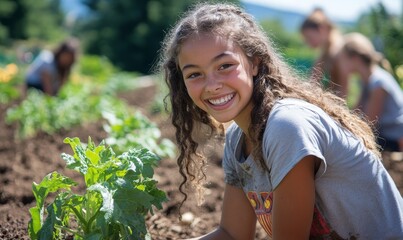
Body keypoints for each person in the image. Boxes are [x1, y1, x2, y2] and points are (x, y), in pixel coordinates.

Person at [159, 3, 403, 239]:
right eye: (194, 74)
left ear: (254, 63)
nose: (212, 85)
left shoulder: (286, 126)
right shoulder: (237, 139)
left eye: (225, 65)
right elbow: (233, 234)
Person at [338, 32, 403, 152]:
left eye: (342, 61)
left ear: (354, 59)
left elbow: (369, 123)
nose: (340, 66)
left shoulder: (378, 83)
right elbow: (354, 114)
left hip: (396, 140)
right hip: (387, 137)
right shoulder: (365, 81)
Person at [300, 8, 348, 98]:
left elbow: (343, 91)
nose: (308, 43)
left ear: (321, 30)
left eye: (309, 38)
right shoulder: (323, 53)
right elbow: (313, 81)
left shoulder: (338, 52)